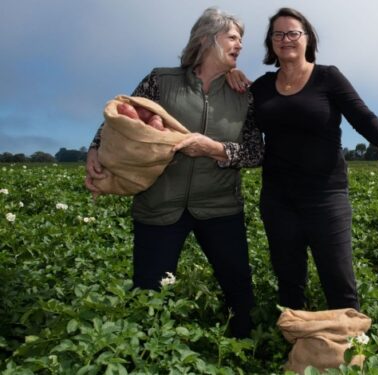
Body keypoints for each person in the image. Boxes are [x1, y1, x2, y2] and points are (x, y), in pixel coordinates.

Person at [176, 7, 378, 311]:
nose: (285, 39)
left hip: (326, 196)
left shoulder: (328, 77)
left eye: (292, 33)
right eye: (278, 34)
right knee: (289, 282)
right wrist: (228, 73)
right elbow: (225, 101)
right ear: (271, 43)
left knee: (338, 280)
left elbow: (362, 116)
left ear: (307, 38)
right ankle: (296, 347)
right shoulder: (260, 88)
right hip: (278, 199)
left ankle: (351, 351)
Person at [84, 7, 264, 338]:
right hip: (159, 205)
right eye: (233, 37)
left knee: (240, 292)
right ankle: (145, 355)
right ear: (208, 39)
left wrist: (216, 149)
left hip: (220, 206)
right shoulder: (161, 80)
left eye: (242, 39)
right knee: (147, 295)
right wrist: (96, 147)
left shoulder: (245, 96)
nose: (240, 44)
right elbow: (122, 121)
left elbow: (256, 152)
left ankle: (247, 351)